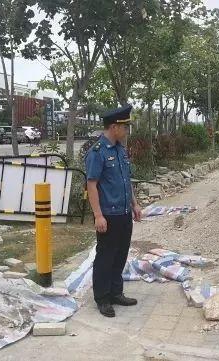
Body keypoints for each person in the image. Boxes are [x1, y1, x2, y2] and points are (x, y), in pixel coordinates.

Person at [85, 104, 142, 318]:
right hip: (107, 215)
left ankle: (116, 292)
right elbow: (92, 185)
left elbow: (126, 181)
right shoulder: (97, 153)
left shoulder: (120, 150)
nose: (126, 131)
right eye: (124, 127)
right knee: (105, 257)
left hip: (124, 214)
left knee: (120, 255)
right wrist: (98, 215)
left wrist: (134, 204)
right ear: (114, 126)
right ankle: (102, 298)